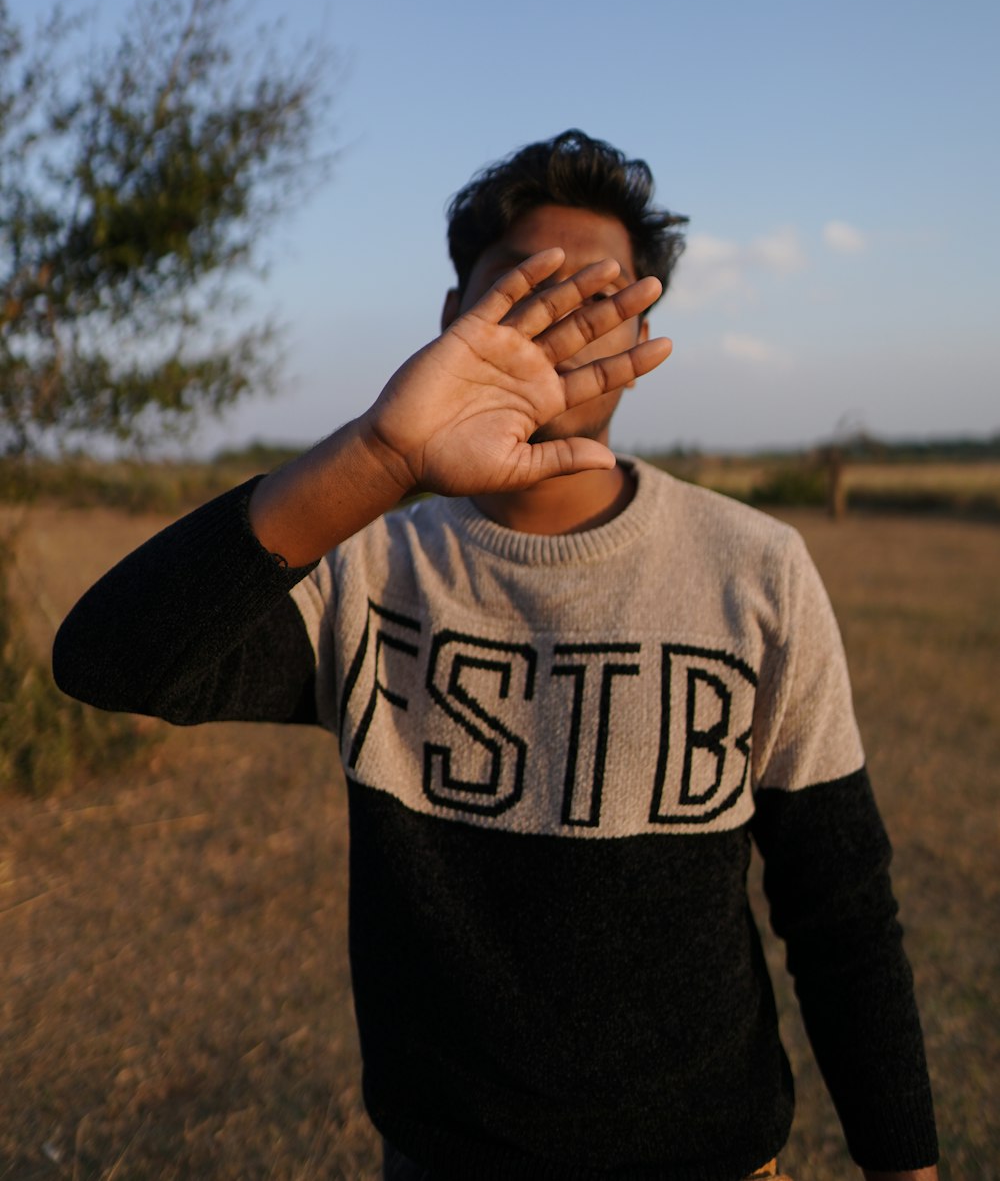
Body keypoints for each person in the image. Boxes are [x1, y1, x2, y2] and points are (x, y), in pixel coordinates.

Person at [53, 130, 939, 1181]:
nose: (561, 332)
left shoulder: (754, 570)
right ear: (450, 320)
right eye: (527, 295)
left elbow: (839, 913)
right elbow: (109, 660)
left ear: (642, 331)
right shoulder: (370, 573)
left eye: (601, 302)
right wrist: (381, 456)